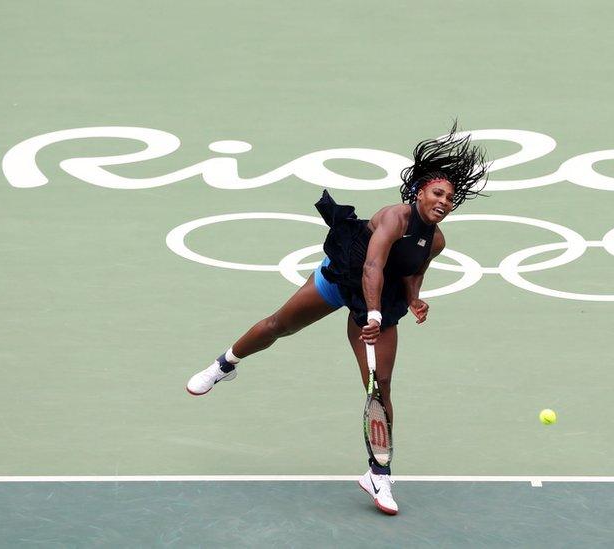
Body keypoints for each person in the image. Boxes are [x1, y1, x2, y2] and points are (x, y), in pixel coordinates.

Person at [185, 123, 488, 515]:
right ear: (419, 192)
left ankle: (379, 474)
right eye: (438, 193)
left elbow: (413, 270)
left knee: (379, 388)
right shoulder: (394, 218)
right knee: (279, 325)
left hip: (384, 299)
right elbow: (373, 265)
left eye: (451, 197)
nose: (445, 201)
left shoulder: (438, 240)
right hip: (348, 276)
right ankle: (225, 364)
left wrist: (415, 299)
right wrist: (373, 312)